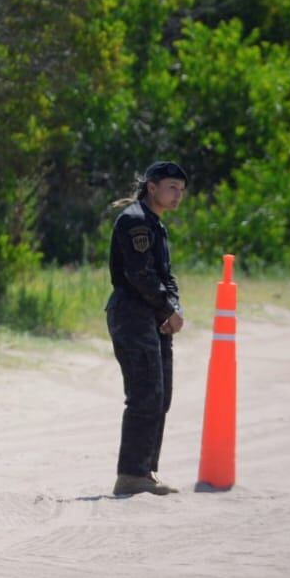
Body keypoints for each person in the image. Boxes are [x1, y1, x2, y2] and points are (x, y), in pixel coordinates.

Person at [106, 160, 188, 496]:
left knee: (161, 395)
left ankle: (146, 471)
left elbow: (165, 276)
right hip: (132, 314)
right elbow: (139, 275)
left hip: (152, 315)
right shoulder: (135, 222)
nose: (177, 196)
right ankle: (131, 474)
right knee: (145, 394)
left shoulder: (155, 225)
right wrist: (167, 308)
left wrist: (174, 308)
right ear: (151, 187)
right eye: (171, 188)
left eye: (181, 191)